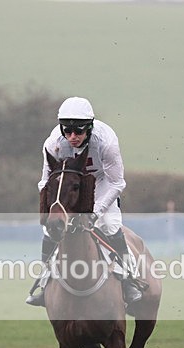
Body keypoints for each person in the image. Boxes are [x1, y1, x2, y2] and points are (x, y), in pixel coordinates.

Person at [26, 96, 142, 307]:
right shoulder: (53, 144)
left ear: (89, 127)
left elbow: (117, 183)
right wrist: (49, 211)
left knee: (109, 224)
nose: (72, 137)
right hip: (72, 187)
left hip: (101, 184)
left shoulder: (106, 142)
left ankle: (128, 280)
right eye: (67, 131)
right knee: (49, 230)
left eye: (78, 131)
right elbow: (45, 182)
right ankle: (44, 283)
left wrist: (95, 212)